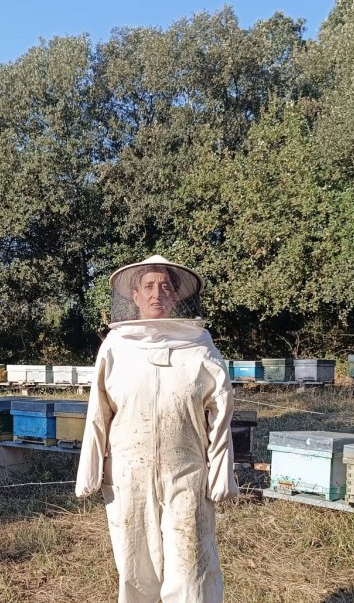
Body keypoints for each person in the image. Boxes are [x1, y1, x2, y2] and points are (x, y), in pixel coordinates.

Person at [76, 255, 237, 603]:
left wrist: (221, 474)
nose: (157, 294)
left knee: (191, 568)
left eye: (165, 287)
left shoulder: (199, 347)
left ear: (177, 296)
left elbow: (221, 413)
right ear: (134, 296)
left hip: (187, 472)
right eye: (148, 286)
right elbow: (98, 412)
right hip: (128, 473)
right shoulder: (116, 347)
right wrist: (89, 471)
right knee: (135, 568)